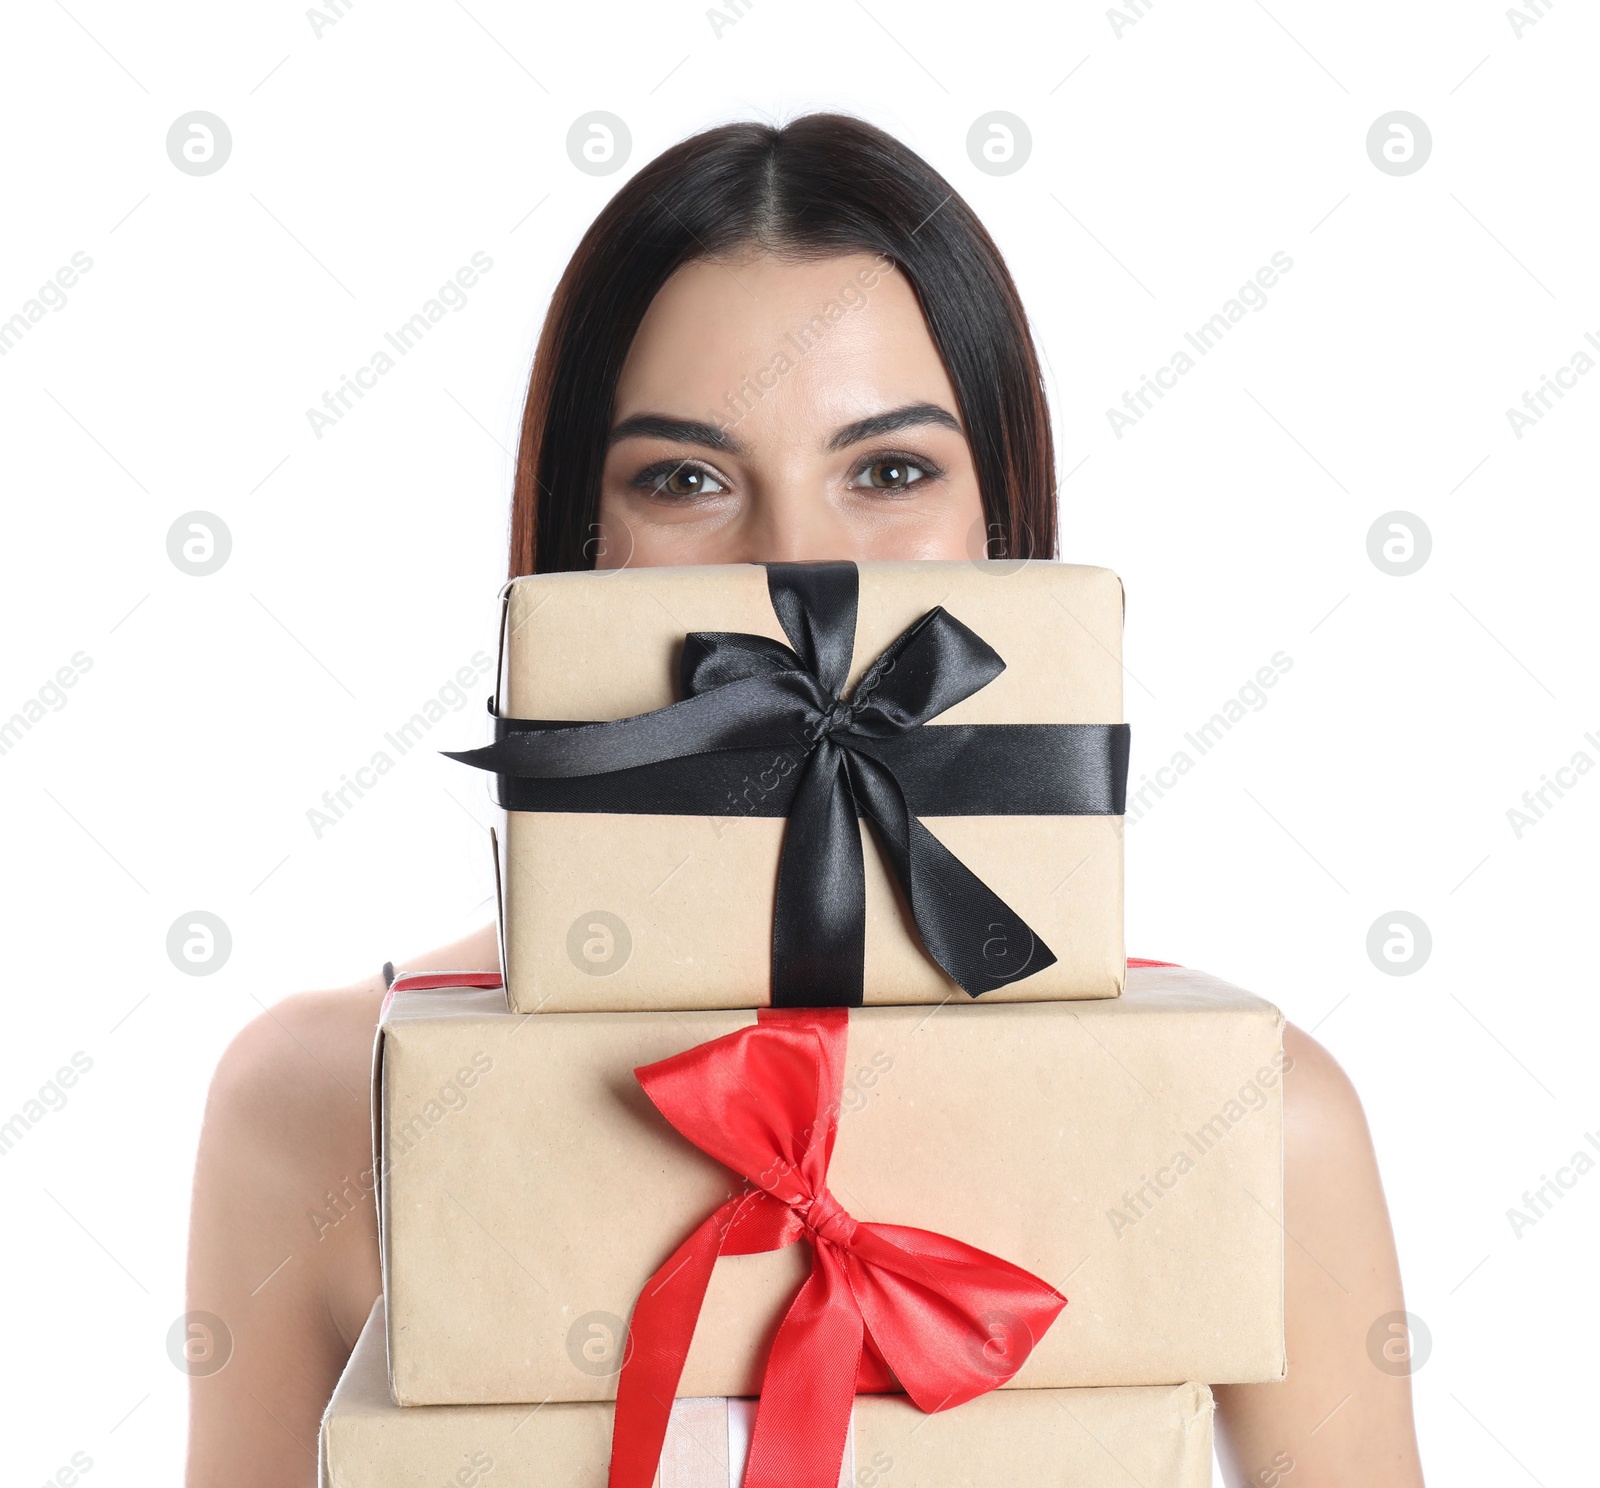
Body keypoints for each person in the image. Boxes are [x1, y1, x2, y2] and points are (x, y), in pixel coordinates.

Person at [186, 114, 1424, 1486]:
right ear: (571, 543)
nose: (797, 566)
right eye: (685, 479)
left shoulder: (1257, 1119)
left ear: (1004, 528)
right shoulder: (317, 1109)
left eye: (890, 470)